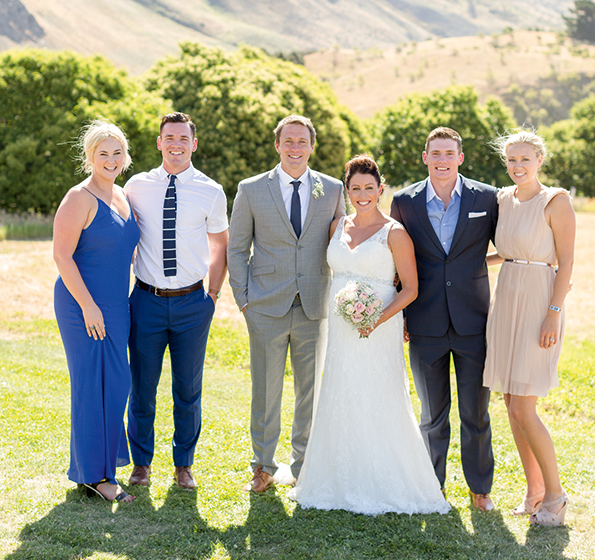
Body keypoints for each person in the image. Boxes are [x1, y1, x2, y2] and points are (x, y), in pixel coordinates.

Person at [290, 155, 450, 515]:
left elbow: (410, 289)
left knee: (379, 395)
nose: (362, 195)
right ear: (347, 191)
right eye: (355, 188)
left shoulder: (395, 233)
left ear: (380, 189)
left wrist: (376, 319)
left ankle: (385, 479)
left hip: (379, 328)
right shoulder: (336, 226)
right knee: (340, 391)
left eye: (369, 188)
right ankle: (337, 477)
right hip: (340, 328)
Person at [227, 115, 345, 492]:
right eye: (288, 141)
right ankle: (262, 467)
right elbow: (236, 248)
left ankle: (303, 467)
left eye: (302, 141)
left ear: (312, 147)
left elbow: (343, 245)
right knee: (266, 391)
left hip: (314, 306)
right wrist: (244, 300)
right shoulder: (250, 189)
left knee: (310, 391)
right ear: (277, 145)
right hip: (264, 306)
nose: (295, 148)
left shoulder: (332, 189)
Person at [390, 127, 498, 511]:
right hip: (424, 322)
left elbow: (507, 245)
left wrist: (474, 265)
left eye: (449, 153)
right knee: (432, 415)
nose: (442, 160)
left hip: (474, 322)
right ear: (425, 157)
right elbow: (396, 263)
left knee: (475, 413)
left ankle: (480, 489)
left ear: (460, 158)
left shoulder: (487, 197)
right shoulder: (404, 202)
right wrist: (401, 314)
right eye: (435, 153)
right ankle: (432, 487)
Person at [125, 112, 228, 490]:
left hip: (192, 304)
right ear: (159, 142)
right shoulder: (136, 186)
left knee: (188, 391)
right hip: (146, 301)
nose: (176, 144)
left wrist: (211, 296)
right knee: (142, 389)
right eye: (169, 137)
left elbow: (220, 247)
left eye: (183, 138)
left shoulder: (211, 191)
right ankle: (141, 464)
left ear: (194, 144)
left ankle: (184, 464)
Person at [483, 130, 574, 526]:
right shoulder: (503, 199)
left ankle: (556, 496)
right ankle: (534, 489)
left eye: (524, 159)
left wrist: (553, 312)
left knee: (524, 405)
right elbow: (506, 253)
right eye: (511, 160)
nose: (517, 166)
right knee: (509, 401)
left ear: (539, 159)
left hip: (539, 301)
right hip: (506, 298)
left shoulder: (556, 201)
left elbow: (566, 262)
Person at [54, 120, 140, 503]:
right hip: (82, 305)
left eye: (117, 152)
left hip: (117, 306)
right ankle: (95, 476)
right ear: (90, 157)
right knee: (91, 385)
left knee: (117, 384)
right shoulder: (79, 197)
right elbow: (62, 256)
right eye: (103, 153)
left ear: (125, 156)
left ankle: (104, 468)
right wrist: (88, 306)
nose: (111, 159)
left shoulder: (122, 195)